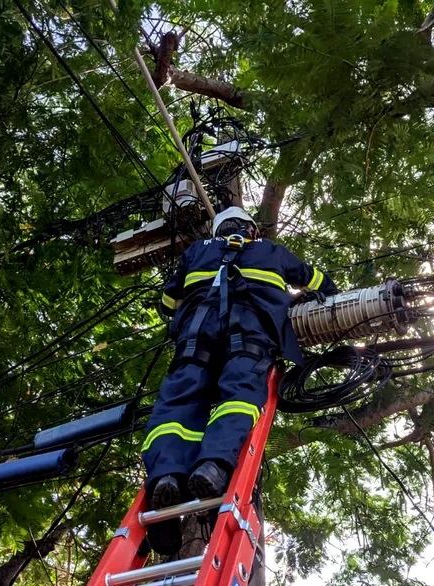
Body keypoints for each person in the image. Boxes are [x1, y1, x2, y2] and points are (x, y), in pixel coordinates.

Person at [141, 206, 339, 554]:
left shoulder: (197, 251)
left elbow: (168, 300)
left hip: (196, 335)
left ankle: (167, 476)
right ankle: (214, 466)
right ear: (251, 230)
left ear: (218, 231)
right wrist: (311, 297)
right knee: (239, 394)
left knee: (179, 402)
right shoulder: (271, 251)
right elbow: (320, 281)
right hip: (249, 334)